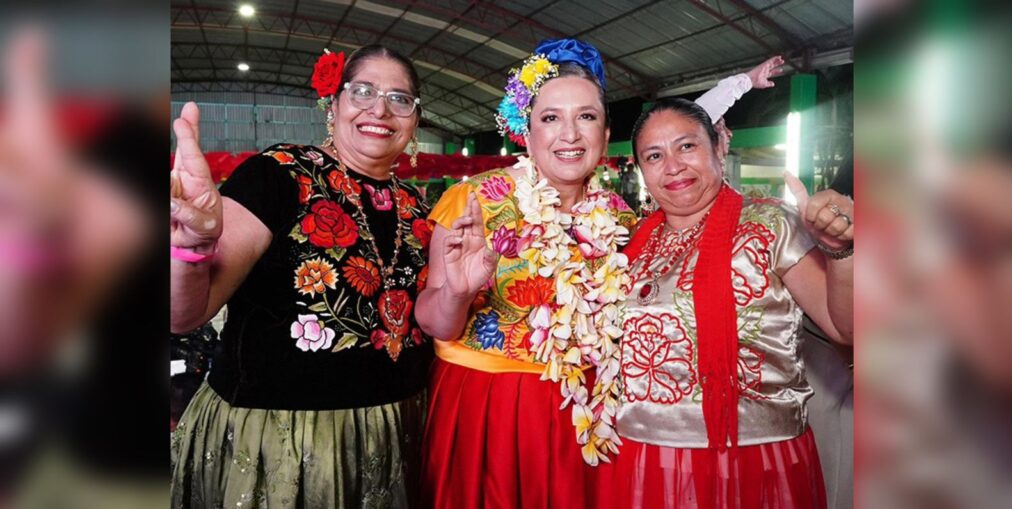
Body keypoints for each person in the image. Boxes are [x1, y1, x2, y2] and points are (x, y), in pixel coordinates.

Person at [414, 37, 783, 507]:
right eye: (551, 118)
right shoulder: (474, 204)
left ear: (606, 136)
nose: (569, 134)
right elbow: (436, 323)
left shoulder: (622, 220)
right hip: (491, 409)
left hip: (590, 414)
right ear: (526, 132)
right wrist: (457, 296)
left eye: (586, 117)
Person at [170, 44, 433, 508]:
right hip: (281, 443)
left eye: (399, 98)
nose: (380, 109)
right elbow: (185, 313)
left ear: (414, 120)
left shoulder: (420, 209)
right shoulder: (278, 176)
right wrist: (191, 248)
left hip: (396, 437)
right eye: (363, 91)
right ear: (334, 106)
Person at [593, 98, 853, 508]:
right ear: (641, 170)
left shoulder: (772, 225)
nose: (673, 166)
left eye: (687, 146)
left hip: (748, 456)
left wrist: (841, 252)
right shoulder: (629, 247)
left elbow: (846, 329)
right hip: (641, 456)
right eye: (654, 156)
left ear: (719, 145)